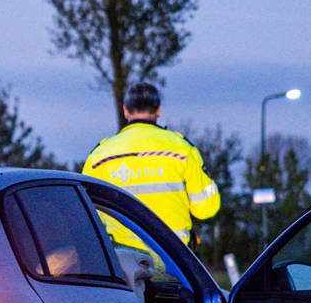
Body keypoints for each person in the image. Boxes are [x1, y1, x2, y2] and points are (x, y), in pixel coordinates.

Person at [81, 81, 220, 249]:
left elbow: (87, 214)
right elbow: (206, 208)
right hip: (174, 258)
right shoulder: (182, 150)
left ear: (125, 110)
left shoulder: (100, 156)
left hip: (122, 260)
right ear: (158, 110)